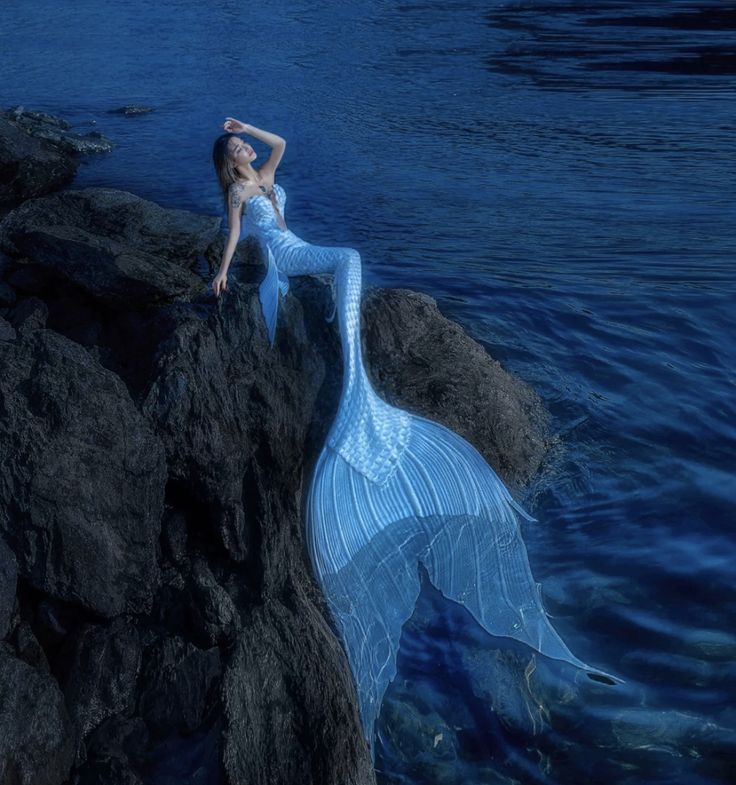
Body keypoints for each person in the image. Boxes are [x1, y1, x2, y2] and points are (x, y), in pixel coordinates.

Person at [211, 118, 619, 762]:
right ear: (225, 166)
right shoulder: (241, 192)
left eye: (244, 147)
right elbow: (238, 235)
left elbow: (284, 144)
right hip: (289, 255)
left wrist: (248, 127)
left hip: (297, 246)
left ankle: (352, 363)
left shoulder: (264, 174)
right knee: (348, 258)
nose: (245, 152)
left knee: (344, 260)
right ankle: (355, 372)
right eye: (235, 150)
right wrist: (223, 274)